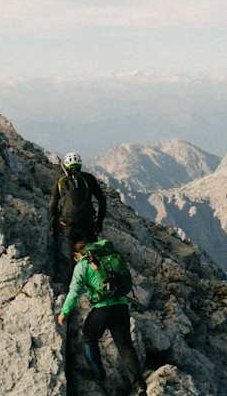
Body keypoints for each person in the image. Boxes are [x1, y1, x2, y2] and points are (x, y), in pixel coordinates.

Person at [57, 240, 142, 393]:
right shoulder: (108, 258)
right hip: (121, 306)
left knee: (89, 336)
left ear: (77, 254)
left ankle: (99, 374)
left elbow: (74, 292)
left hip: (102, 309)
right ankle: (139, 385)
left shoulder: (82, 265)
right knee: (125, 346)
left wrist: (64, 312)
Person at [50, 152, 106, 282]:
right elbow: (102, 201)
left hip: (68, 226)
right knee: (92, 253)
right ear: (80, 164)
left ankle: (72, 284)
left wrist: (54, 225)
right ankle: (98, 282)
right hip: (88, 224)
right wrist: (99, 222)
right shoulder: (89, 178)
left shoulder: (61, 181)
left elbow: (53, 205)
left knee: (72, 256)